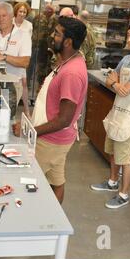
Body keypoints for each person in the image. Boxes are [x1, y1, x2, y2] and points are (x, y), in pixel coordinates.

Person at [16, 16, 88, 204]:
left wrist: (30, 132)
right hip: (57, 140)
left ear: (68, 42)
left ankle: (37, 220)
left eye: (57, 33)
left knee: (28, 181)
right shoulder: (69, 61)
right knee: (57, 181)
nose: (51, 35)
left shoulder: (72, 72)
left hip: (50, 141)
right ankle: (54, 220)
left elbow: (64, 119)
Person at [91, 20, 130, 209]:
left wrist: (115, 84)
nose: (128, 39)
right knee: (112, 150)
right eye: (128, 35)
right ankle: (112, 182)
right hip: (118, 111)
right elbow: (112, 78)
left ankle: (123, 194)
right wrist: (116, 85)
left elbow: (124, 90)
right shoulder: (127, 59)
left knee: (125, 158)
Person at [0, 1, 31, 118]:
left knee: (6, 118)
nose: (1, 19)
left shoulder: (23, 35)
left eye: (4, 15)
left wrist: (3, 57)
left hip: (12, 85)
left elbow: (25, 62)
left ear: (12, 16)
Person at [31, 4, 58, 86]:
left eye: (50, 10)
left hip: (52, 48)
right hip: (39, 46)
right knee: (39, 67)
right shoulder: (38, 17)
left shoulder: (56, 19)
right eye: (47, 9)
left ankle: (48, 86)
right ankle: (39, 86)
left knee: (50, 69)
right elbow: (32, 29)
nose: (48, 11)